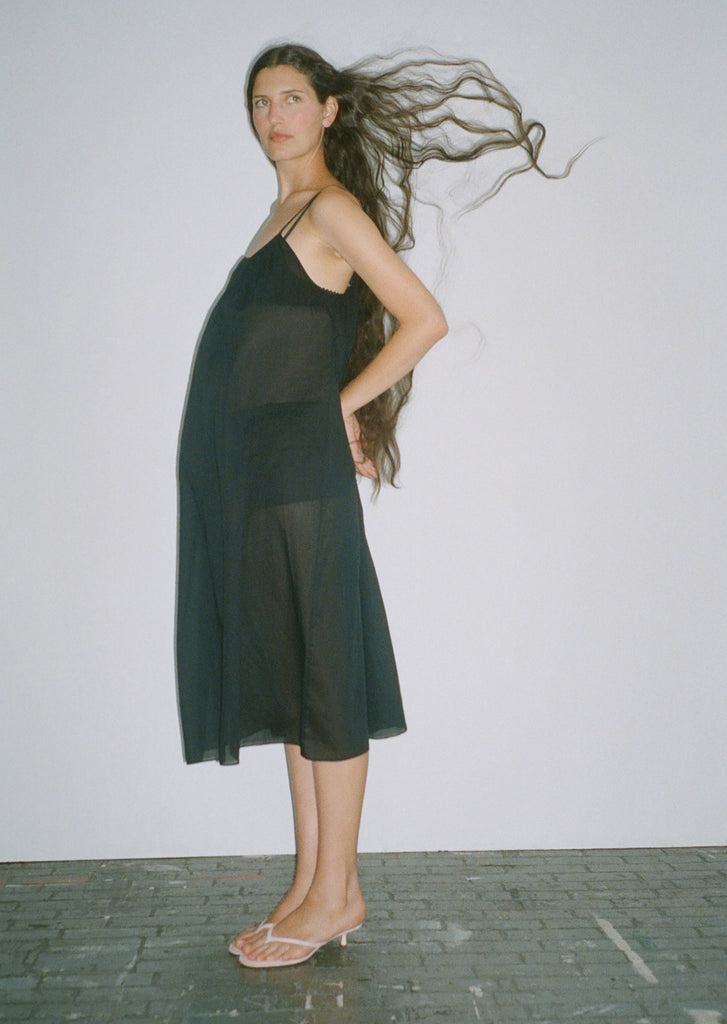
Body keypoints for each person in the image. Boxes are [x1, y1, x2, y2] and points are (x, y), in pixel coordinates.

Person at [176, 42, 561, 968]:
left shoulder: (330, 208)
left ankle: (340, 891)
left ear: (330, 112)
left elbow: (421, 318)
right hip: (252, 482)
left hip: (295, 480)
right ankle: (310, 886)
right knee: (296, 682)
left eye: (292, 100)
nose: (274, 117)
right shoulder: (277, 217)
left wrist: (337, 410)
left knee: (326, 683)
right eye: (260, 102)